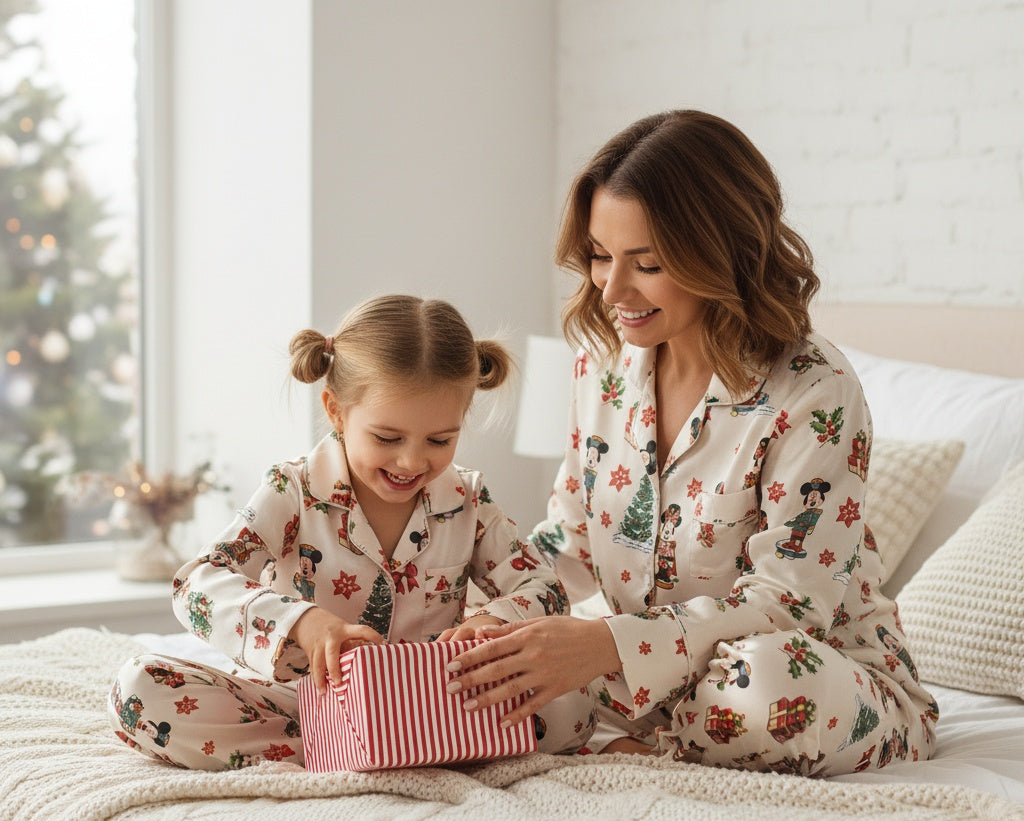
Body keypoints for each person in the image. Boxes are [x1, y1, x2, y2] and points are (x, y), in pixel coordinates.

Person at [445, 110, 939, 776]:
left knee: (768, 686)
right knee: (497, 678)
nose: (611, 289)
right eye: (598, 256)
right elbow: (570, 545)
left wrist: (604, 646)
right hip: (650, 688)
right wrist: (497, 619)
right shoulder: (601, 365)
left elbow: (788, 603)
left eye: (645, 264)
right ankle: (648, 745)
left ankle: (643, 750)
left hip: (817, 677)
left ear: (719, 250)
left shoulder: (815, 389)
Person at [108, 294, 593, 770]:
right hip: (308, 703)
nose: (412, 461)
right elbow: (197, 584)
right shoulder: (292, 490)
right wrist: (304, 623)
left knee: (579, 701)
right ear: (337, 411)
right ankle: (353, 744)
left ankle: (412, 744)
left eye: (440, 440)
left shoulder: (467, 500)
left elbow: (544, 588)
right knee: (139, 691)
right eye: (388, 438)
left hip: (438, 702)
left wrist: (489, 625)